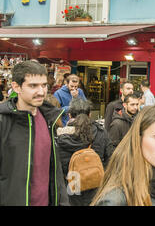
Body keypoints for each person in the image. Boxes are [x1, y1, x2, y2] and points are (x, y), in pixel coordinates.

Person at [0, 60, 69, 206]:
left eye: (44, 85)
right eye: (33, 86)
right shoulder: (3, 121)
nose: (41, 91)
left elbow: (54, 170)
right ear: (16, 87)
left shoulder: (49, 118)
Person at [57, 98, 114, 206]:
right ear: (90, 114)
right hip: (95, 185)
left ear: (69, 115)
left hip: (71, 186)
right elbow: (110, 158)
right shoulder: (101, 133)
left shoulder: (61, 137)